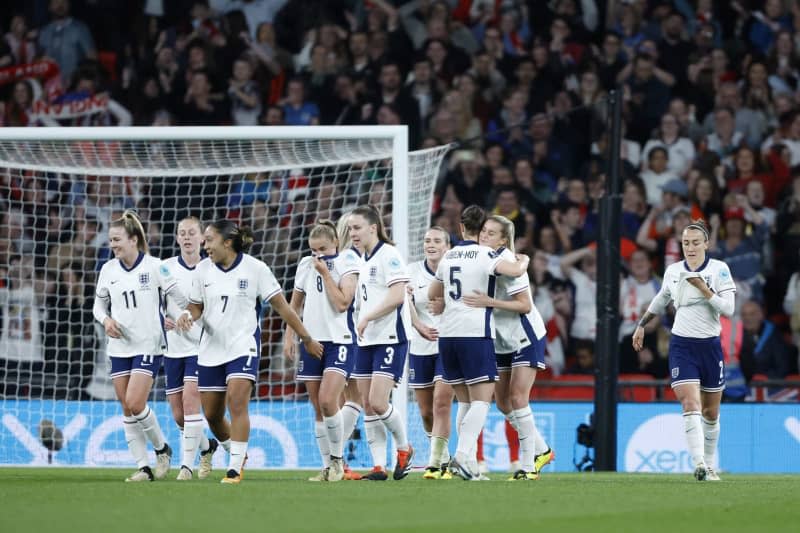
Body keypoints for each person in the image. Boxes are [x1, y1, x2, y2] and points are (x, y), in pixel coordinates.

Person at [176, 220, 323, 484]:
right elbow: (196, 305)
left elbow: (283, 307)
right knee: (212, 415)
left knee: (237, 401)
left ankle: (234, 468)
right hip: (210, 349)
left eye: (209, 240)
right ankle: (236, 451)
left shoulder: (256, 269)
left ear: (227, 242)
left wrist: (306, 338)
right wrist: (187, 314)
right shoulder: (202, 270)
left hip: (243, 346)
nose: (205, 245)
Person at [428, 205, 529, 480]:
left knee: (464, 402)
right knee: (482, 401)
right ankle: (462, 455)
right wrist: (524, 260)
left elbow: (432, 293)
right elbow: (515, 270)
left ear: (460, 228)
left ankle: (469, 463)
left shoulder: (448, 255)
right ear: (482, 229)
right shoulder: (487, 255)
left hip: (447, 336)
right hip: (475, 334)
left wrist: (444, 303)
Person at [632, 219, 736, 481]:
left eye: (695, 243)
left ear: (707, 244)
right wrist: (642, 323)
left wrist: (704, 289)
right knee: (690, 403)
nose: (690, 247)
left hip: (710, 346)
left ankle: (711, 464)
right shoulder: (673, 270)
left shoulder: (719, 270)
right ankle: (699, 463)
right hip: (682, 345)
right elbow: (661, 298)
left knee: (711, 412)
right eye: (686, 243)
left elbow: (729, 310)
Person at [92, 210, 181, 482]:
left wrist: (180, 316)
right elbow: (98, 305)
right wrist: (106, 320)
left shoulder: (156, 266)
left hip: (148, 344)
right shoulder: (108, 270)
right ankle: (144, 467)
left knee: (135, 401)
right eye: (110, 240)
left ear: (133, 240)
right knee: (126, 407)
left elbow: (177, 296)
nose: (113, 244)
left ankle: (162, 448)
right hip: (118, 347)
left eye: (117, 239)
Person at [464, 215, 553, 480]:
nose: (484, 237)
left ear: (504, 240)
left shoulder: (510, 263)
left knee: (517, 398)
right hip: (501, 339)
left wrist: (490, 302)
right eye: (483, 232)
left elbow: (525, 305)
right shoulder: (482, 260)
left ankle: (528, 465)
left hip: (526, 336)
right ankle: (542, 449)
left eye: (491, 234)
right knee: (502, 404)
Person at [284, 220, 360, 482]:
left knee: (329, 400)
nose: (318, 255)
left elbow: (342, 303)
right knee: (318, 406)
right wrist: (289, 335)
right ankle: (327, 466)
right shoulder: (305, 265)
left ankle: (338, 461)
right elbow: (294, 305)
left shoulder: (346, 263)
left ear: (335, 244)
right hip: (311, 343)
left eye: (323, 249)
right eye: (313, 250)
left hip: (340, 340)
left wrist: (326, 272)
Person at [348, 205, 413, 481]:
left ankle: (404, 448)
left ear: (373, 228)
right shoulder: (362, 260)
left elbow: (398, 295)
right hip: (367, 339)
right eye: (350, 228)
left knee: (377, 400)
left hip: (390, 337)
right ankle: (378, 466)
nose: (353, 233)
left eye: (357, 228)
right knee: (366, 402)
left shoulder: (389, 255)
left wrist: (367, 317)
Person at [162, 217, 217, 480]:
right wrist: (160, 319)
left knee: (190, 403)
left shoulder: (211, 269)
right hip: (173, 348)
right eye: (181, 233)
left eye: (191, 233)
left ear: (201, 238)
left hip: (201, 346)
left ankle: (185, 467)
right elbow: (153, 303)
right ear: (176, 238)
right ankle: (208, 448)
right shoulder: (165, 268)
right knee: (179, 415)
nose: (186, 237)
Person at [406, 226, 454, 480]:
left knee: (441, 402)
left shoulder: (456, 270)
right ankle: (444, 456)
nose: (431, 244)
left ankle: (436, 463)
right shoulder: (412, 271)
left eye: (437, 240)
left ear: (447, 246)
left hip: (450, 344)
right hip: (420, 345)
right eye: (427, 240)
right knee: (425, 411)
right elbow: (403, 303)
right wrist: (419, 325)